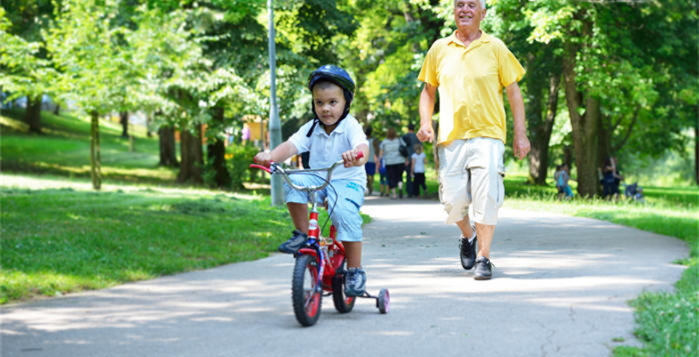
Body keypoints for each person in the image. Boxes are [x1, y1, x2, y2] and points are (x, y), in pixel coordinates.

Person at [416, 0, 530, 280]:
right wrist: (425, 123)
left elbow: (514, 92)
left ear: (483, 13)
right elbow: (428, 91)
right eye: (459, 5)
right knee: (451, 201)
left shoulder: (496, 47)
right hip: (451, 137)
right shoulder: (439, 49)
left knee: (488, 194)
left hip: (488, 134)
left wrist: (520, 133)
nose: (464, 9)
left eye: (471, 4)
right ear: (454, 12)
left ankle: (484, 257)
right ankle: (468, 236)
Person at [253, 65, 370, 296]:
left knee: (344, 214)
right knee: (293, 179)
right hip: (319, 178)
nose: (325, 109)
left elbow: (362, 148)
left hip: (347, 181)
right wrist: (270, 156)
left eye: (332, 102)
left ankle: (355, 270)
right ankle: (303, 234)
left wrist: (356, 156)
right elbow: (291, 146)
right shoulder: (311, 128)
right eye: (319, 103)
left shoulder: (350, 126)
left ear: (346, 102)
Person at [379, 127, 407, 199]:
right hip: (400, 161)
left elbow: (381, 154)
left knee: (391, 178)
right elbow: (405, 148)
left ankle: (394, 194)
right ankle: (400, 188)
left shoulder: (384, 142)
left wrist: (380, 162)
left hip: (389, 162)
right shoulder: (399, 140)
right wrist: (406, 159)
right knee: (399, 176)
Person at [402, 123, 421, 197]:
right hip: (416, 158)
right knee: (416, 176)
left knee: (408, 176)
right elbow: (420, 147)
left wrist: (406, 158)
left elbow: (403, 149)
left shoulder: (404, 136)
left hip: (408, 158)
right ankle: (416, 192)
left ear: (408, 128)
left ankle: (409, 192)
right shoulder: (417, 137)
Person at [364, 126, 380, 195]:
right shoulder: (374, 140)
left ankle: (369, 186)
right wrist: (377, 156)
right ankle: (371, 186)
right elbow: (377, 150)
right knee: (372, 175)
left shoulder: (363, 139)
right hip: (371, 159)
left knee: (366, 175)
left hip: (365, 159)